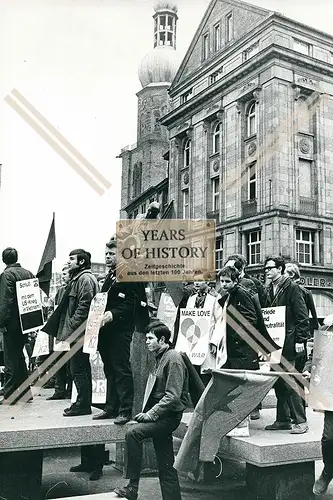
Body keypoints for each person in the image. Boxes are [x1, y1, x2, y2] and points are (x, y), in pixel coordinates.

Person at [113, 320, 189, 500]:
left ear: (162, 340)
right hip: (162, 416)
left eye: (150, 338)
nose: (146, 341)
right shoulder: (161, 357)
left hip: (168, 417)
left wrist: (150, 414)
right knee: (166, 465)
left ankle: (132, 487)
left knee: (133, 434)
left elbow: (172, 396)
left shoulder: (173, 359)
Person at [93, 238, 149, 425]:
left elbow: (133, 303)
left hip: (121, 329)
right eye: (106, 254)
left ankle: (125, 410)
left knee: (121, 368)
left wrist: (112, 314)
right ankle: (110, 407)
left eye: (112, 254)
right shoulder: (111, 275)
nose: (108, 257)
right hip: (106, 330)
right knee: (109, 368)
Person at [264, 256, 310, 434]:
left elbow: (302, 316)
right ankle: (282, 419)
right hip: (275, 344)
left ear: (280, 269)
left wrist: (300, 340)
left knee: (290, 382)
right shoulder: (269, 289)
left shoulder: (292, 288)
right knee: (279, 383)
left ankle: (301, 421)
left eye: (270, 268)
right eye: (266, 268)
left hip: (290, 343)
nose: (267, 271)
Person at [209, 266, 262, 372]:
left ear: (235, 281)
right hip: (235, 349)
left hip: (243, 349)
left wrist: (236, 337)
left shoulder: (241, 294)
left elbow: (251, 319)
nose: (224, 284)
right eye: (222, 281)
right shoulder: (229, 294)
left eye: (227, 281)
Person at [0, 247, 35, 404]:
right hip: (26, 322)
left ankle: (9, 392)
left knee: (11, 358)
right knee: (19, 356)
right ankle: (26, 392)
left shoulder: (7, 275)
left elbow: (5, 301)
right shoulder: (28, 273)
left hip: (11, 322)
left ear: (3, 259)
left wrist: (1, 323)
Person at [285, 261, 319, 374]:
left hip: (296, 336)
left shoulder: (299, 290)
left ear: (291, 275)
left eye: (283, 273)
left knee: (297, 369)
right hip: (291, 335)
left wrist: (303, 338)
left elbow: (310, 316)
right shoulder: (284, 291)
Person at [46, 265, 72, 400]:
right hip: (60, 330)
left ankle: (69, 390)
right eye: (62, 274)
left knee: (70, 362)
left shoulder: (72, 288)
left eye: (65, 274)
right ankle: (59, 389)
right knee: (59, 359)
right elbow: (52, 306)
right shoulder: (60, 290)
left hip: (68, 329)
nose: (63, 276)